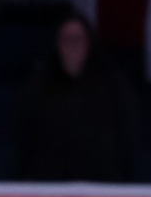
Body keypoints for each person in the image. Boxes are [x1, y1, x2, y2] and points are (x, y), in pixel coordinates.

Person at [16, 14, 139, 182]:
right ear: (58, 45)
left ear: (89, 44)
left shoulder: (112, 84)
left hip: (103, 185)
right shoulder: (39, 85)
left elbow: (128, 136)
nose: (72, 46)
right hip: (49, 186)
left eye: (78, 39)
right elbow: (25, 139)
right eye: (67, 40)